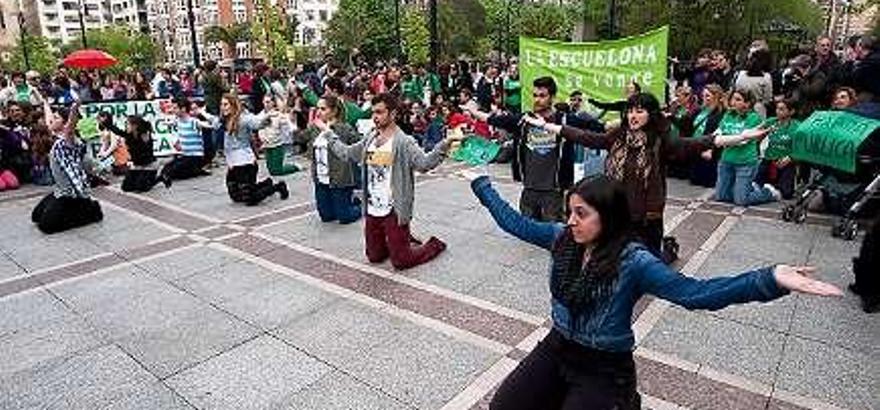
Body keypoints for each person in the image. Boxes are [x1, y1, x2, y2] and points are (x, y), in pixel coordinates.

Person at [457, 168, 841, 410]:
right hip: (557, 347)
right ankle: (565, 397)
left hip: (605, 368)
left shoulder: (634, 261)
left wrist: (770, 278)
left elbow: (695, 293)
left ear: (607, 216)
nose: (571, 220)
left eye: (581, 213)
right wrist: (481, 184)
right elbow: (515, 223)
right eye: (569, 211)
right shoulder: (562, 239)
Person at [523, 92, 770, 260]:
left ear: (650, 114)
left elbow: (698, 142)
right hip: (617, 211)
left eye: (639, 111)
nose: (633, 116)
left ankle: (667, 249)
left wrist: (744, 136)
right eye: (630, 111)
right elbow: (584, 136)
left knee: (649, 262)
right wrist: (545, 126)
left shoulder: (660, 141)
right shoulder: (617, 136)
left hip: (646, 215)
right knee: (614, 257)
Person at [314, 93, 456, 270]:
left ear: (393, 114)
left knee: (401, 262)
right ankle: (400, 240)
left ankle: (432, 245)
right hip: (373, 208)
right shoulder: (370, 138)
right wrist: (328, 132)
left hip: (393, 209)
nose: (375, 117)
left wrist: (445, 144)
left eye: (380, 112)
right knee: (375, 257)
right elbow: (347, 153)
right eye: (373, 112)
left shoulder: (403, 142)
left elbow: (424, 164)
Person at [467, 76, 603, 222]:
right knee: (527, 230)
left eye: (542, 96)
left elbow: (596, 128)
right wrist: (473, 111)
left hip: (553, 191)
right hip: (529, 189)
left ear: (552, 97)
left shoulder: (564, 120)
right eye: (535, 95)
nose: (537, 100)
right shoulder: (524, 120)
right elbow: (493, 119)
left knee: (552, 234)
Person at [32, 100, 103, 234]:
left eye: (57, 117)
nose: (52, 119)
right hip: (60, 190)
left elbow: (70, 127)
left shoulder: (70, 140)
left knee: (46, 227)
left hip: (72, 194)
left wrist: (74, 110)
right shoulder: (56, 136)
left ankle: (91, 209)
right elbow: (49, 119)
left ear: (64, 123)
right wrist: (44, 103)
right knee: (36, 216)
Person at [296, 95, 362, 224]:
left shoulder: (343, 128)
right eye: (317, 108)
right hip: (321, 178)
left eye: (323, 109)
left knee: (344, 217)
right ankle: (347, 202)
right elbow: (299, 138)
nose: (319, 112)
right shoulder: (315, 128)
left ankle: (360, 206)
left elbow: (358, 143)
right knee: (327, 217)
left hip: (340, 179)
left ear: (334, 111)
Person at [219, 94, 289, 206]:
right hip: (233, 163)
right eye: (222, 104)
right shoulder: (224, 120)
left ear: (233, 105)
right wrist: (200, 112)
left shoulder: (243, 118)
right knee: (236, 196)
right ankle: (266, 183)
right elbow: (212, 122)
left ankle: (278, 187)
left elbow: (256, 122)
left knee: (250, 198)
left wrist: (267, 116)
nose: (223, 107)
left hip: (245, 163)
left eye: (226, 104)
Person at [714, 90, 779, 206]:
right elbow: (718, 132)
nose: (733, 102)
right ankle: (747, 188)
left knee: (741, 200)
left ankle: (768, 192)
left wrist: (724, 140)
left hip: (745, 162)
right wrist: (722, 139)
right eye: (732, 99)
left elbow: (743, 140)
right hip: (726, 160)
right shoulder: (728, 115)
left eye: (738, 100)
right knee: (721, 196)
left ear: (748, 104)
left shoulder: (754, 118)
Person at [97, 112, 170, 193]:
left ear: (134, 126)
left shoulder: (144, 136)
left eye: (128, 124)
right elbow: (117, 131)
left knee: (141, 187)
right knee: (126, 187)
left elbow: (146, 155)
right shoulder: (129, 135)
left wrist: (133, 163)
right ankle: (140, 178)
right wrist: (105, 122)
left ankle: (159, 178)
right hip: (137, 165)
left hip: (148, 166)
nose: (126, 126)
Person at [163, 98, 219, 180]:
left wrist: (202, 113)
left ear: (183, 109)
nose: (173, 110)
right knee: (166, 168)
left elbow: (214, 125)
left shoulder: (194, 122)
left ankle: (197, 170)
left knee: (174, 171)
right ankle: (195, 170)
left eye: (175, 108)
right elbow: (170, 124)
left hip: (195, 157)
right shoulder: (177, 120)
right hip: (185, 155)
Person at [759, 99, 801, 199]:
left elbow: (801, 148)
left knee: (786, 194)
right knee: (757, 185)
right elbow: (756, 131)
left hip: (786, 162)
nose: (778, 111)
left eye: (782, 109)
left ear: (791, 112)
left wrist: (791, 158)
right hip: (769, 160)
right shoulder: (771, 122)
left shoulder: (797, 126)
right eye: (777, 108)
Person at [689, 84, 727, 187]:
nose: (704, 98)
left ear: (716, 97)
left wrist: (711, 149)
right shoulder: (699, 110)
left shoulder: (721, 113)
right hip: (696, 145)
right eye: (703, 95)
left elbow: (719, 132)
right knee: (695, 180)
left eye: (708, 96)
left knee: (706, 181)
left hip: (709, 148)